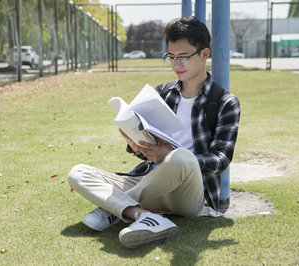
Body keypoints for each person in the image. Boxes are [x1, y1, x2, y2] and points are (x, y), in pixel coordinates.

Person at [68, 16, 240, 248]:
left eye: (184, 57)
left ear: (204, 54)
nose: (176, 64)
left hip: (188, 193)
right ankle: (144, 216)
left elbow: (221, 160)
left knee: (180, 156)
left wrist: (167, 155)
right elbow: (146, 151)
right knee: (78, 173)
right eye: (171, 57)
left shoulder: (225, 102)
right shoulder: (162, 93)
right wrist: (137, 144)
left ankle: (114, 208)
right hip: (150, 180)